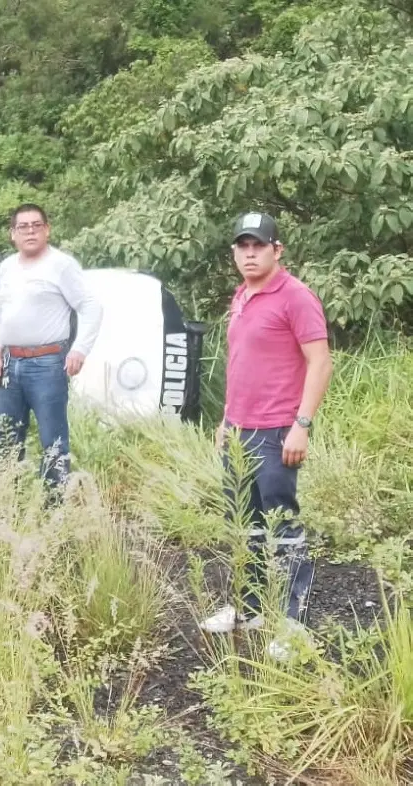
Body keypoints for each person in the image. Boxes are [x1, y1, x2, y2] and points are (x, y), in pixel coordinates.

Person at [199, 212, 333, 659]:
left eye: (259, 245)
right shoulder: (242, 294)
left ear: (278, 250)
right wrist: (225, 418)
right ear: (235, 252)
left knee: (283, 528)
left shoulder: (296, 297)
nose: (250, 253)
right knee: (244, 524)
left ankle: (294, 626)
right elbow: (242, 362)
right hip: (238, 429)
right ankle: (248, 609)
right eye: (243, 246)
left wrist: (302, 424)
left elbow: (320, 362)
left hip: (278, 430)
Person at [0, 204, 103, 494]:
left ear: (47, 229)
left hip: (48, 364)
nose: (30, 231)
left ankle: (54, 510)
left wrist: (80, 350)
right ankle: (7, 506)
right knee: (5, 436)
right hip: (10, 363)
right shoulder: (7, 267)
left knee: (53, 440)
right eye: (23, 226)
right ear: (12, 234)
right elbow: (1, 312)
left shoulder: (61, 265)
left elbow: (90, 306)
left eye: (36, 225)